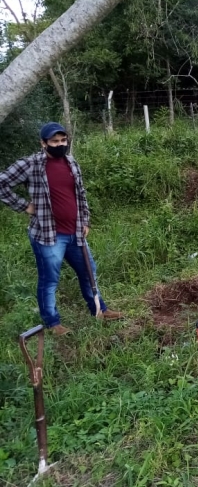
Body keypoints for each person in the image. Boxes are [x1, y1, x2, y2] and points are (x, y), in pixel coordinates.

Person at [0, 122, 124, 335]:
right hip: (48, 235)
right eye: (54, 141)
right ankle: (52, 323)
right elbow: (2, 183)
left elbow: (81, 194)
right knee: (49, 280)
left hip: (75, 232)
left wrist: (85, 221)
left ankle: (99, 310)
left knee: (88, 272)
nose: (60, 145)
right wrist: (25, 206)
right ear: (43, 143)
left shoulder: (71, 163)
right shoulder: (31, 165)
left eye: (63, 140)